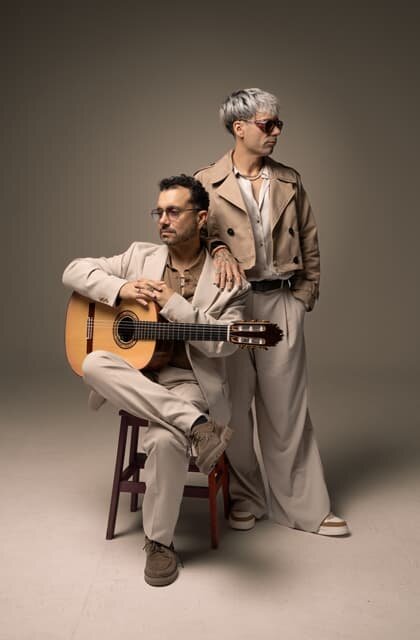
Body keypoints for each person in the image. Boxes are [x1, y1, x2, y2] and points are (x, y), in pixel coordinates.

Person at [62, 175, 250, 586]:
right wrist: (123, 288)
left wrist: (175, 305)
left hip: (187, 381)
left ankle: (158, 544)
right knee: (93, 363)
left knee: (164, 442)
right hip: (136, 376)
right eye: (159, 212)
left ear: (201, 218)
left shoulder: (228, 279)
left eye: (173, 212)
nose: (162, 220)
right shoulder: (139, 256)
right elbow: (73, 271)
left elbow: (226, 345)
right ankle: (197, 426)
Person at [195, 88, 349, 537]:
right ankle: (246, 497)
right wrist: (218, 247)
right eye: (268, 124)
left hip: (281, 300)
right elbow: (189, 241)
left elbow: (310, 241)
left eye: (279, 124)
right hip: (231, 304)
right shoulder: (206, 182)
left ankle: (304, 507)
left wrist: (304, 295)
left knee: (288, 409)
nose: (277, 131)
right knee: (235, 406)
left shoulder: (289, 180)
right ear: (239, 128)